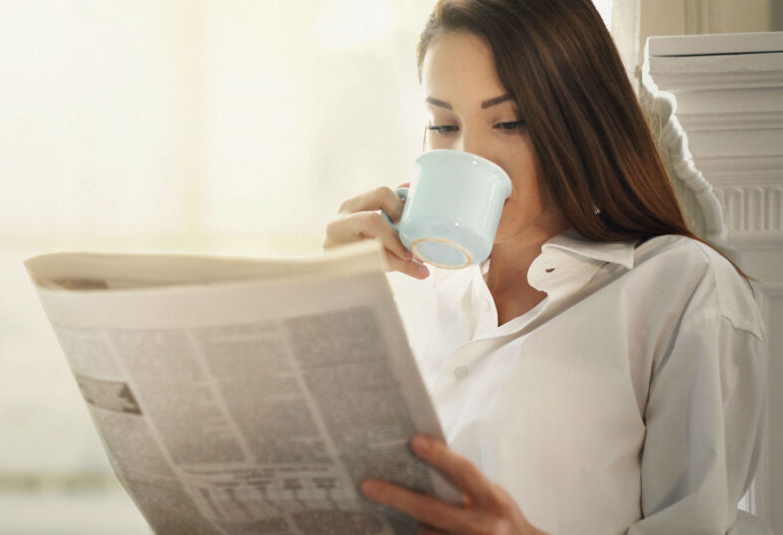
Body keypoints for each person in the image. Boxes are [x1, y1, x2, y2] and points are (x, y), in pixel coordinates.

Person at [322, 0, 768, 533]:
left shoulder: (681, 291)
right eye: (444, 125)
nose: (469, 154)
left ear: (581, 123)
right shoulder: (409, 289)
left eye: (509, 123)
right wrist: (326, 298)